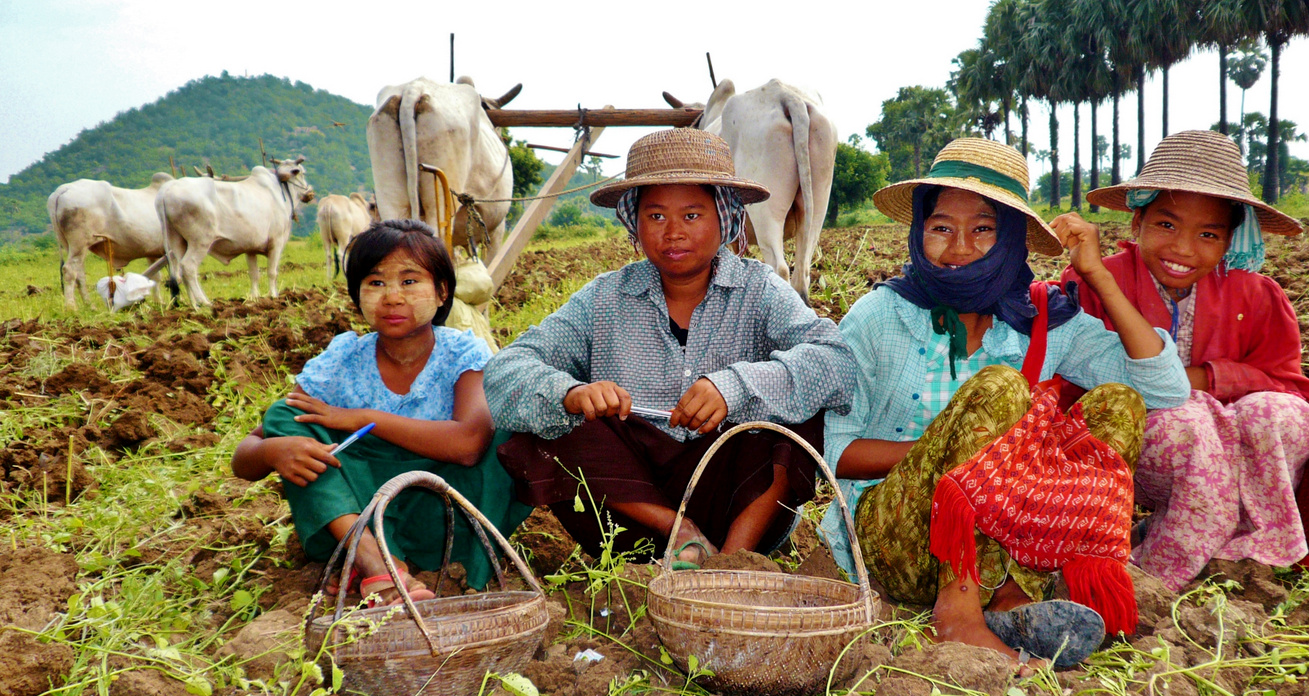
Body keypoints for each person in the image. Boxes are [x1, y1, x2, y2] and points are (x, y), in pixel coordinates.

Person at [821, 138, 1190, 666]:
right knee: (1002, 391)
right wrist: (956, 454)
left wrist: (1098, 275)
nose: (960, 247)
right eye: (942, 227)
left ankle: (1022, 591)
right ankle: (959, 613)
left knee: (1118, 405)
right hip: (896, 541)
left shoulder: (1039, 320)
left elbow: (1163, 388)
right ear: (918, 229)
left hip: (1011, 534)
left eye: (984, 229)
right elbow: (832, 453)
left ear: (1011, 240)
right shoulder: (879, 318)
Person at [487, 129, 856, 567]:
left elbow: (836, 361)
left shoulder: (759, 290)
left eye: (693, 215)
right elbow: (505, 371)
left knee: (792, 421)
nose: (674, 233)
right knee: (550, 420)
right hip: (630, 513)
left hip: (734, 496)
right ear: (634, 223)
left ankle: (731, 564)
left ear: (724, 218)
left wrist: (735, 386)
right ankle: (681, 534)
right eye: (656, 216)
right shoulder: (604, 298)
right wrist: (571, 393)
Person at [1065, 129, 1309, 592]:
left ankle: (1256, 545)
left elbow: (1292, 389)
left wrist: (1205, 380)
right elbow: (1071, 383)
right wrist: (1179, 398)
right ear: (1137, 221)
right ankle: (1153, 573)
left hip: (1243, 451)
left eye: (1207, 234)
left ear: (1230, 240)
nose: (1183, 248)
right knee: (1187, 423)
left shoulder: (1259, 295)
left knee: (1276, 414)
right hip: (1147, 457)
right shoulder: (1094, 281)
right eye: (1166, 225)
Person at [232, 219, 529, 603]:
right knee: (284, 417)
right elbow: (249, 452)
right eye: (375, 283)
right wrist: (273, 451)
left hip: (445, 519)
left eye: (409, 281)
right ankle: (376, 563)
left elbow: (469, 445)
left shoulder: (463, 354)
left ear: (442, 293)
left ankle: (368, 562)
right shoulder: (342, 360)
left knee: (508, 427)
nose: (391, 296)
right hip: (361, 514)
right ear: (357, 295)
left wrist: (362, 419)